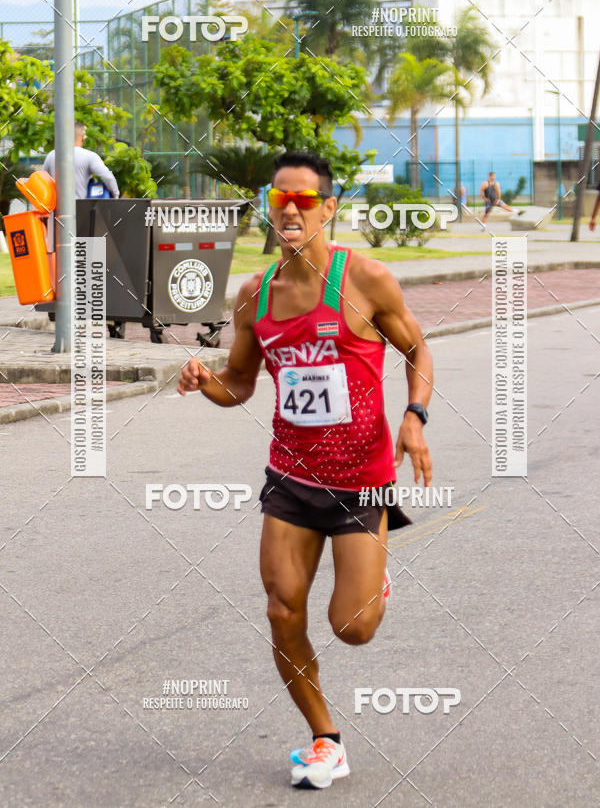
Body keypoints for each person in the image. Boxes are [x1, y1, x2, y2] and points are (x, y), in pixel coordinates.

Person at [177, 151, 433, 790]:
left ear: (330, 207)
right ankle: (326, 738)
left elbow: (417, 348)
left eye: (305, 199)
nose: (291, 209)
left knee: (353, 627)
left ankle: (372, 583)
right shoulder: (254, 295)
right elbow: (240, 382)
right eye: (280, 197)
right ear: (269, 203)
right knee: (281, 609)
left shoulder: (365, 280)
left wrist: (414, 416)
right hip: (289, 478)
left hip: (359, 480)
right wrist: (205, 379)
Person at [43, 121, 119, 199]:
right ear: (83, 138)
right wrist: (115, 196)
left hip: (56, 209)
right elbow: (108, 177)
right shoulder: (90, 156)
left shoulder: (51, 155)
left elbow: (42, 181)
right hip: (81, 208)